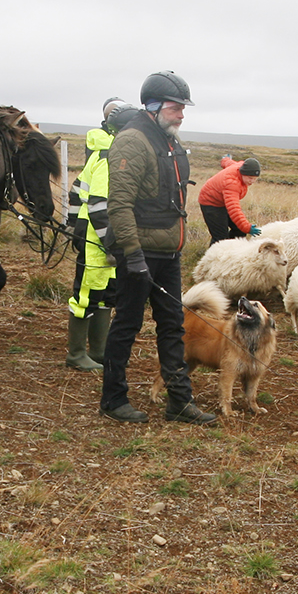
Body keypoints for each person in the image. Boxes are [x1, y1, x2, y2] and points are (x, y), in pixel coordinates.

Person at [98, 71, 216, 426]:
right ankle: (113, 399)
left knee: (172, 327)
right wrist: (132, 255)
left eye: (183, 108)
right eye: (176, 107)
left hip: (169, 251)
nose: (182, 114)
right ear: (153, 106)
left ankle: (179, 402)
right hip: (140, 254)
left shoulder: (168, 139)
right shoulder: (133, 141)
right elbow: (119, 204)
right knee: (128, 325)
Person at [63, 97, 124, 372]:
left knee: (106, 293)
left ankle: (98, 351)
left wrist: (70, 223)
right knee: (86, 295)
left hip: (106, 238)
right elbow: (99, 206)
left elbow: (76, 190)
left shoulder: (109, 155)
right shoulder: (107, 159)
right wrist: (109, 244)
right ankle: (76, 354)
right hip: (98, 240)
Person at [198, 155, 262, 242]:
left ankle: (231, 251)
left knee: (239, 231)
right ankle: (215, 254)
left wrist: (225, 158)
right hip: (210, 202)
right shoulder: (232, 184)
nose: (252, 181)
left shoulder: (240, 166)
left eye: (255, 179)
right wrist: (247, 227)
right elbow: (234, 209)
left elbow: (229, 163)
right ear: (243, 172)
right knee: (220, 238)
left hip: (223, 201)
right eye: (250, 178)